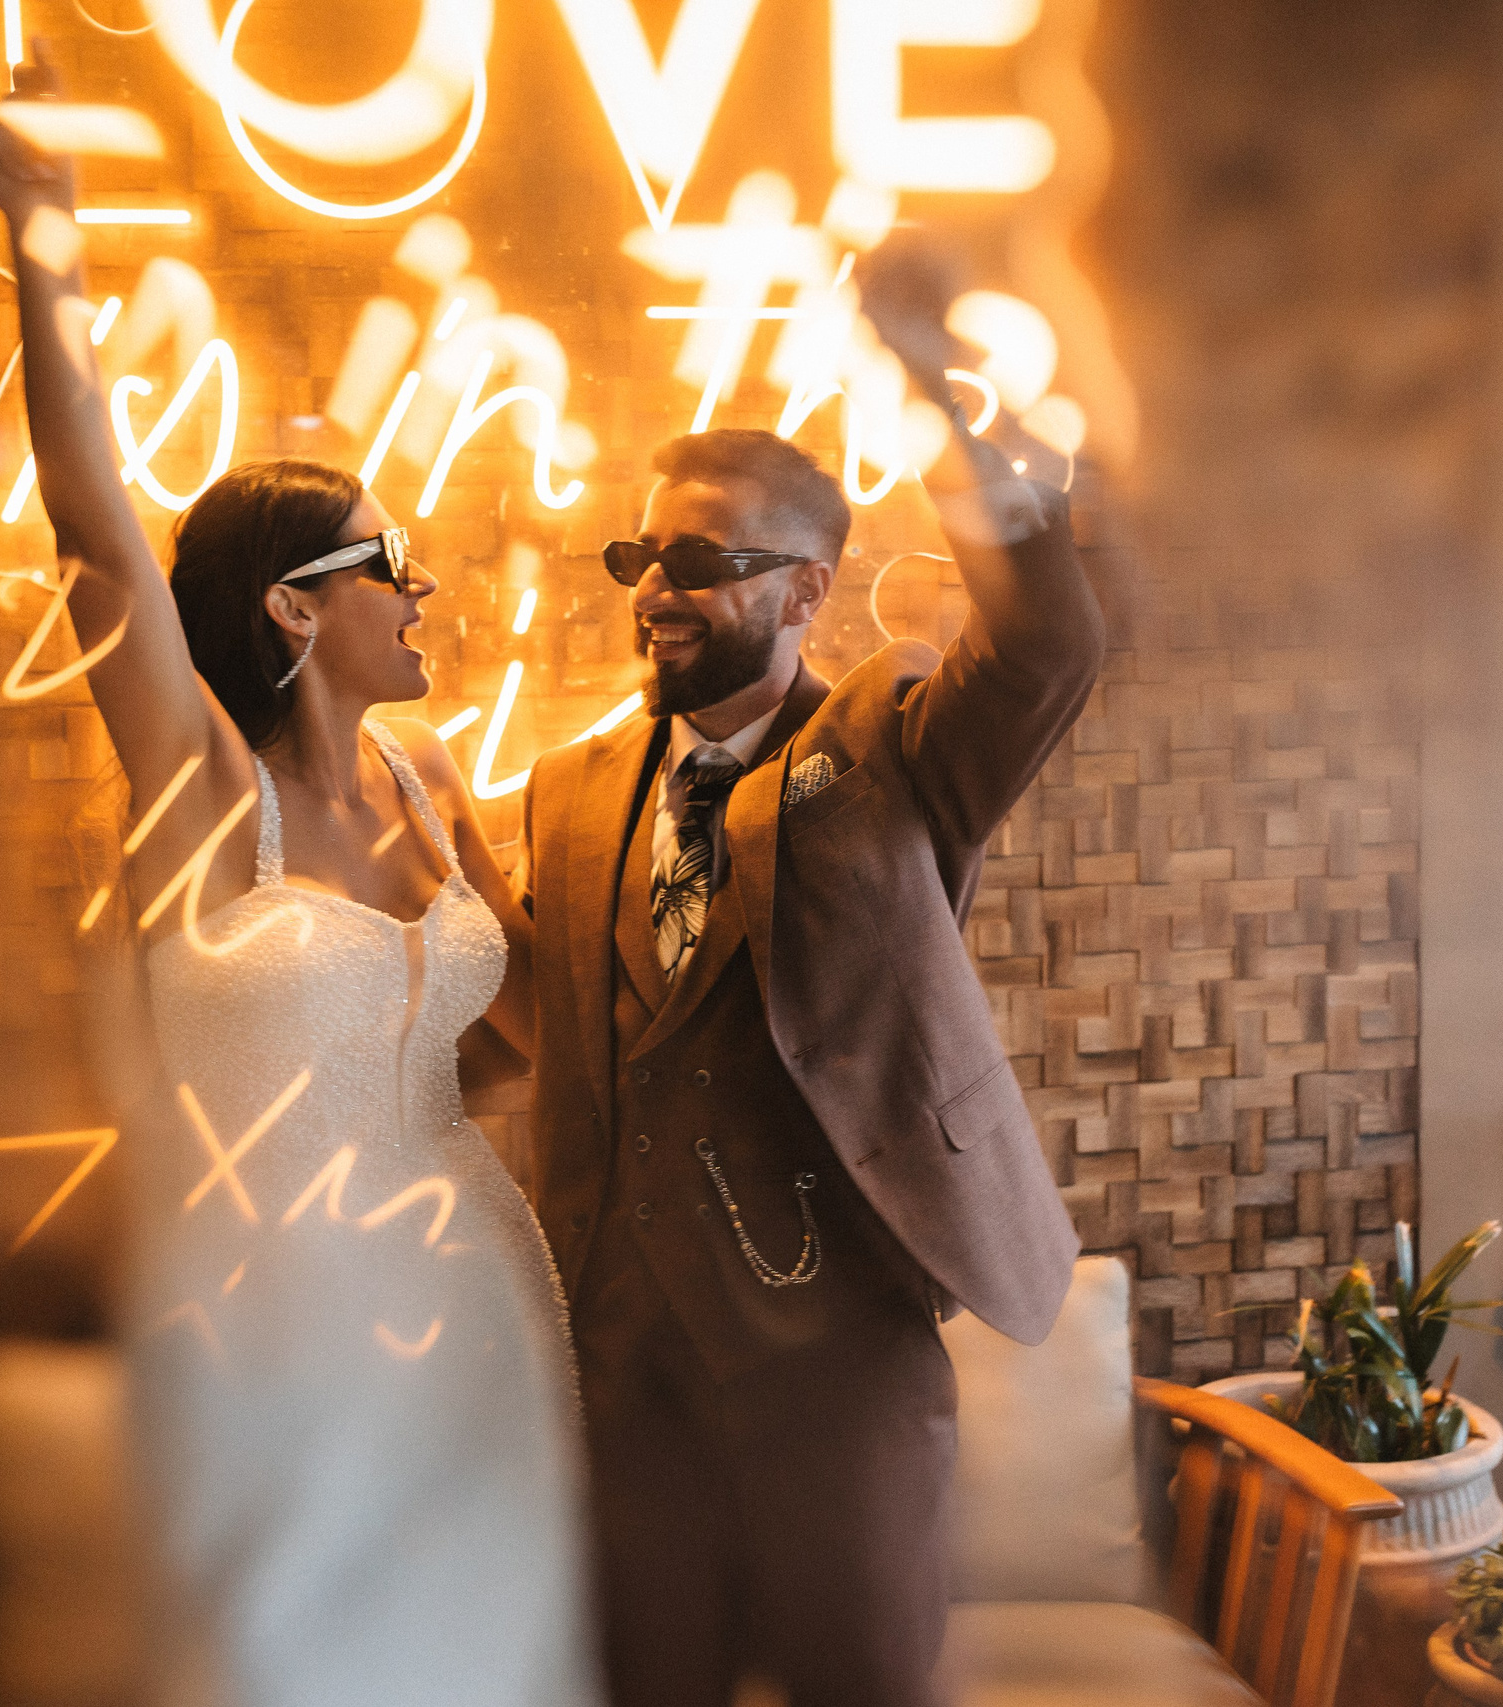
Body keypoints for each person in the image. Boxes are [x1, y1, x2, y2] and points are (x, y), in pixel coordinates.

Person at [0, 122, 599, 1707]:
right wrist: (46, 238)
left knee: (495, 1664)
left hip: (469, 1294)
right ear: (292, 605)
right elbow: (97, 537)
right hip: (268, 1322)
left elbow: (517, 1040)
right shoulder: (199, 788)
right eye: (392, 563)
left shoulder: (431, 779)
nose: (424, 587)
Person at [517, 294, 1106, 1704]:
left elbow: (1045, 645)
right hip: (630, 1380)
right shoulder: (568, 790)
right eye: (642, 558)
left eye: (702, 561)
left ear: (803, 591)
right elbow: (550, 1027)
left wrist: (935, 391)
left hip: (835, 1376)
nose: (657, 591)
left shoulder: (892, 747)